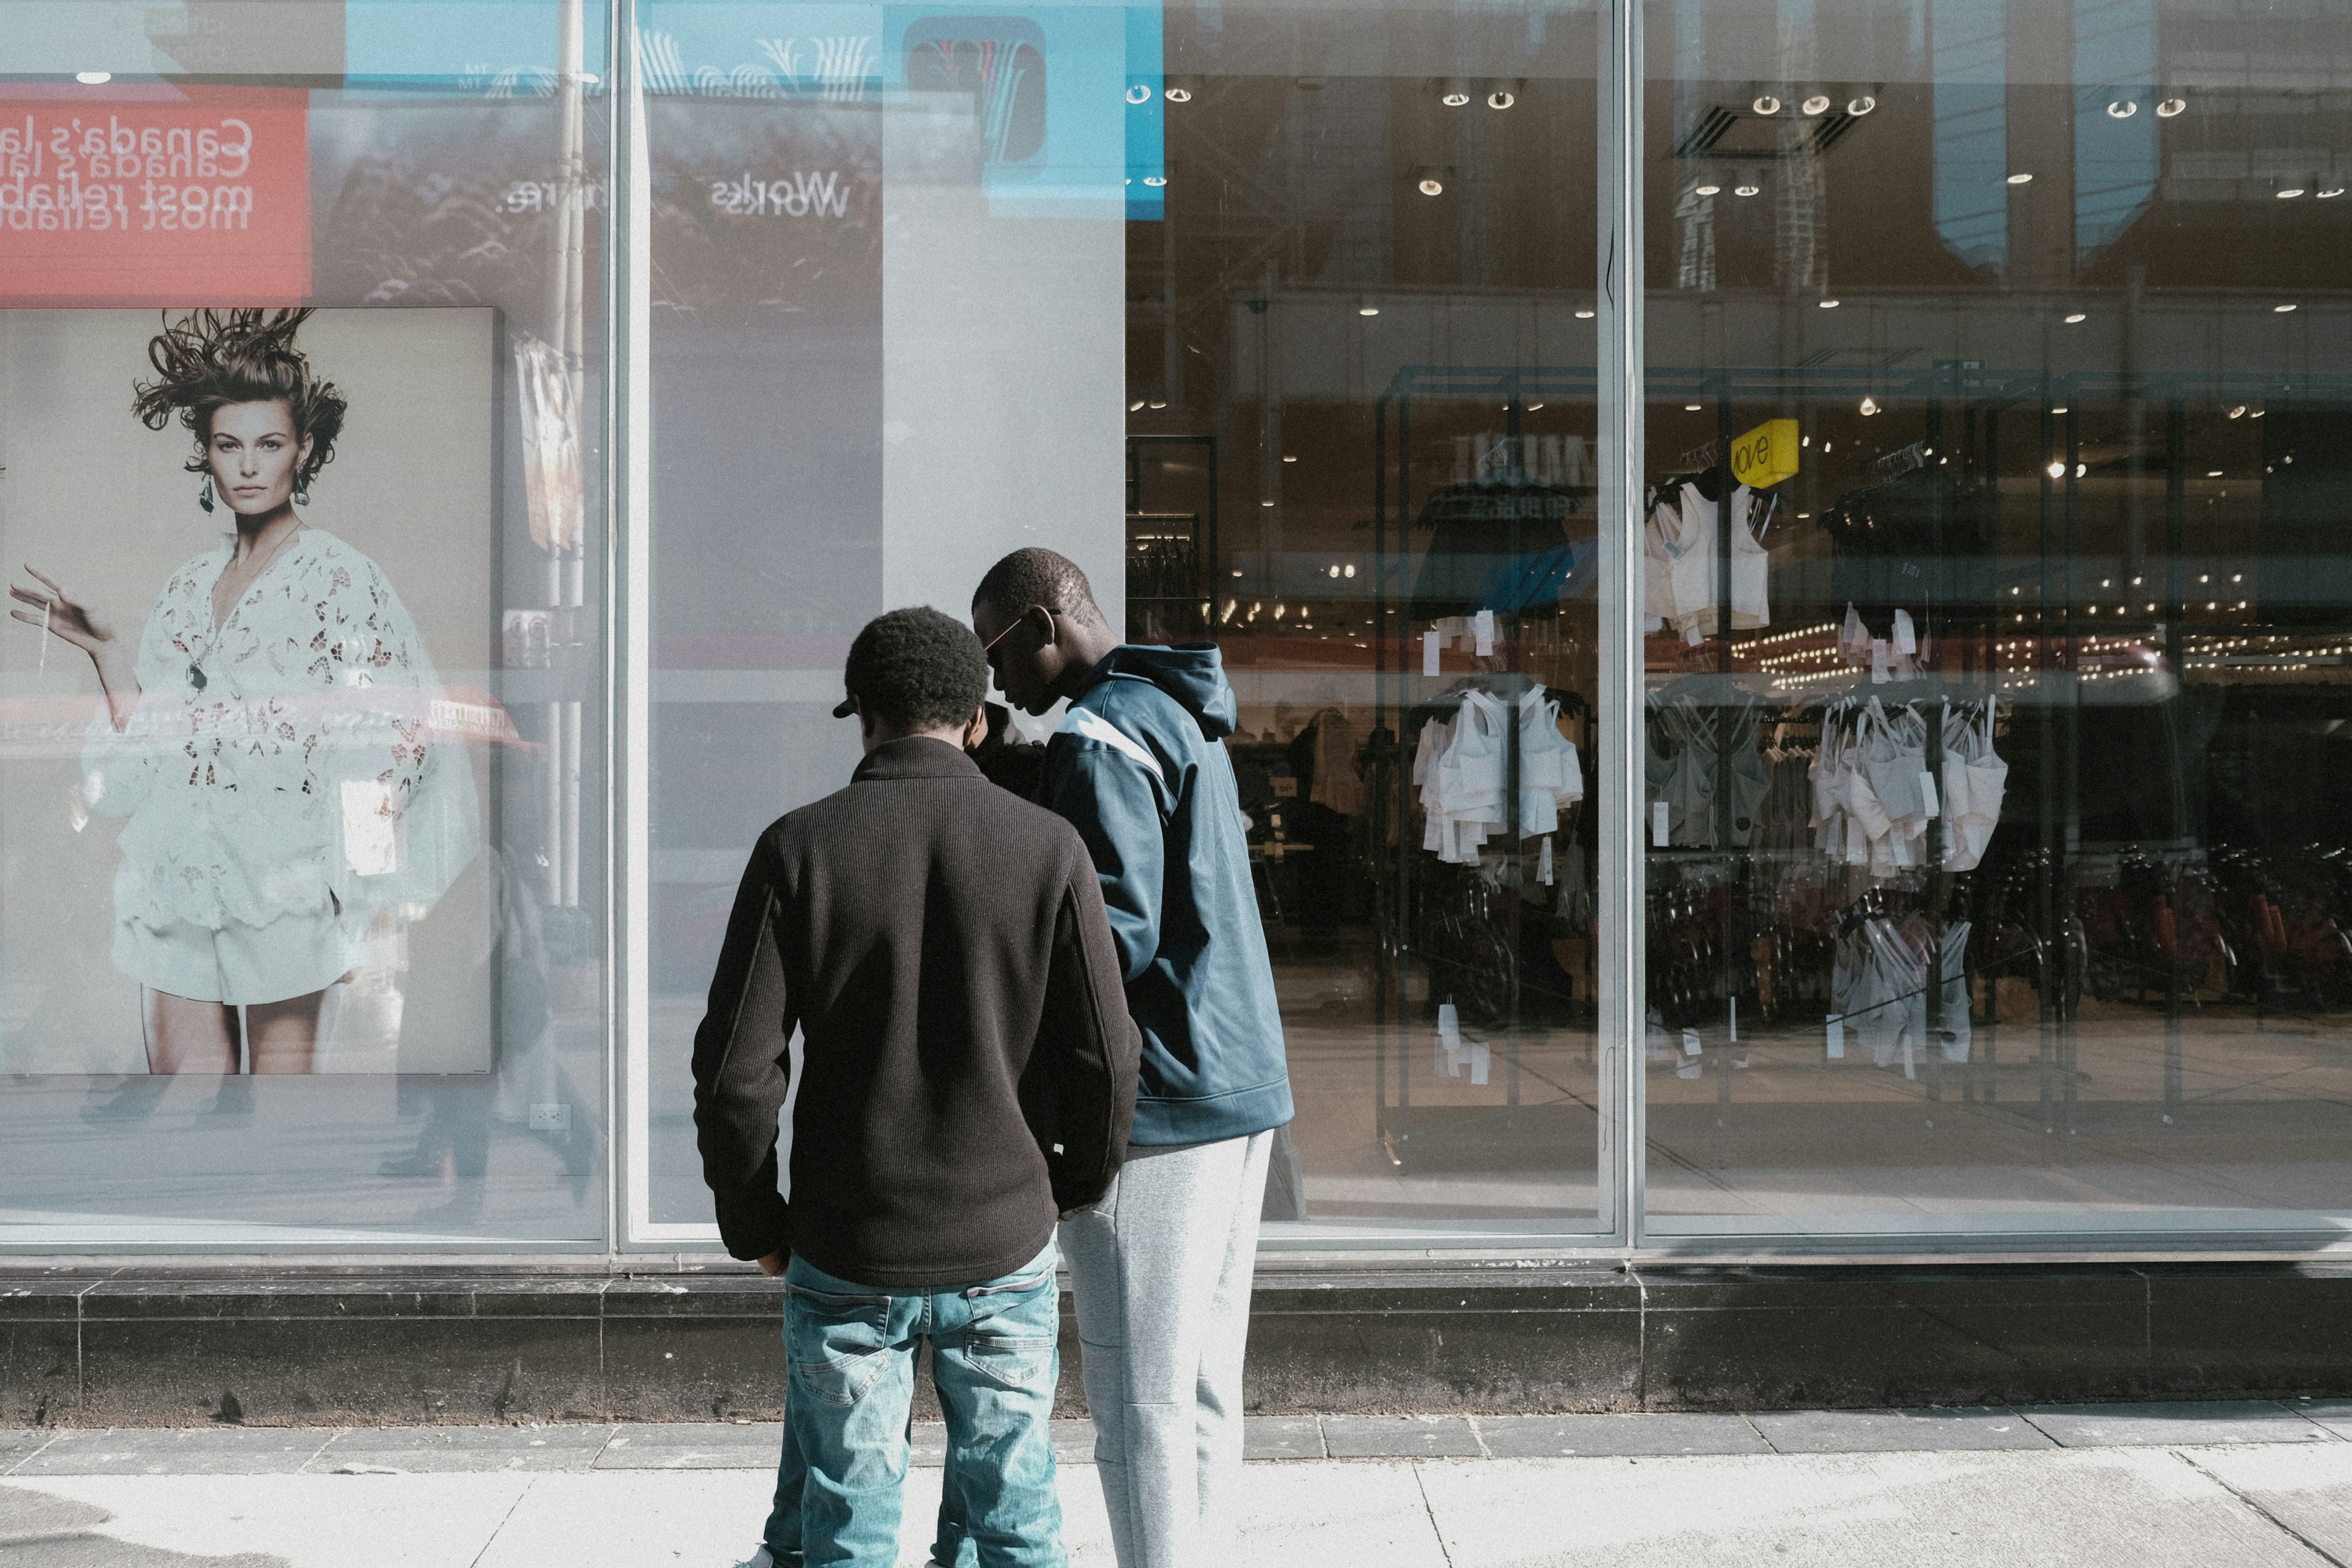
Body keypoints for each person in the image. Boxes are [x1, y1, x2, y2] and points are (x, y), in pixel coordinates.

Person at [694, 606, 1140, 1568]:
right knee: (1016, 1518)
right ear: (976, 720)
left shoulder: (797, 849)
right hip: (1002, 1233)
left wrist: (755, 1223)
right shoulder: (1048, 848)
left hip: (848, 1239)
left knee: (845, 1526)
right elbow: (1107, 1055)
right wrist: (1071, 1185)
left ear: (863, 715)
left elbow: (736, 1074)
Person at [10, 308, 477, 1080]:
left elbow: (397, 739)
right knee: (186, 1099)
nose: (249, 467)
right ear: (207, 457)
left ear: (306, 449)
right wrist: (107, 654)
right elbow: (147, 753)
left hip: (288, 892)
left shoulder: (341, 577)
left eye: (270, 445)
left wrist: (354, 882)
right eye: (230, 446)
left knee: (278, 1117)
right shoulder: (187, 589)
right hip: (181, 886)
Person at [970, 549, 1293, 1568]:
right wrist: (1017, 762)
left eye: (996, 654)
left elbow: (1114, 929)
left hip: (1158, 1106)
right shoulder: (1159, 707)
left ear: (1038, 625)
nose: (996, 682)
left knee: (1137, 1397)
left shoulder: (1101, 734)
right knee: (1197, 1387)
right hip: (1238, 1088)